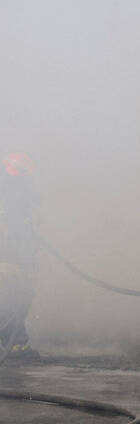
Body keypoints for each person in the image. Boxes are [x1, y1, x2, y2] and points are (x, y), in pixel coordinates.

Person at [0, 152, 40, 358]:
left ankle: (16, 347)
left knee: (14, 300)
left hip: (10, 261)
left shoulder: (8, 192)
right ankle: (16, 349)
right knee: (13, 302)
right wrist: (30, 259)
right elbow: (20, 234)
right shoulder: (15, 195)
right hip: (9, 262)